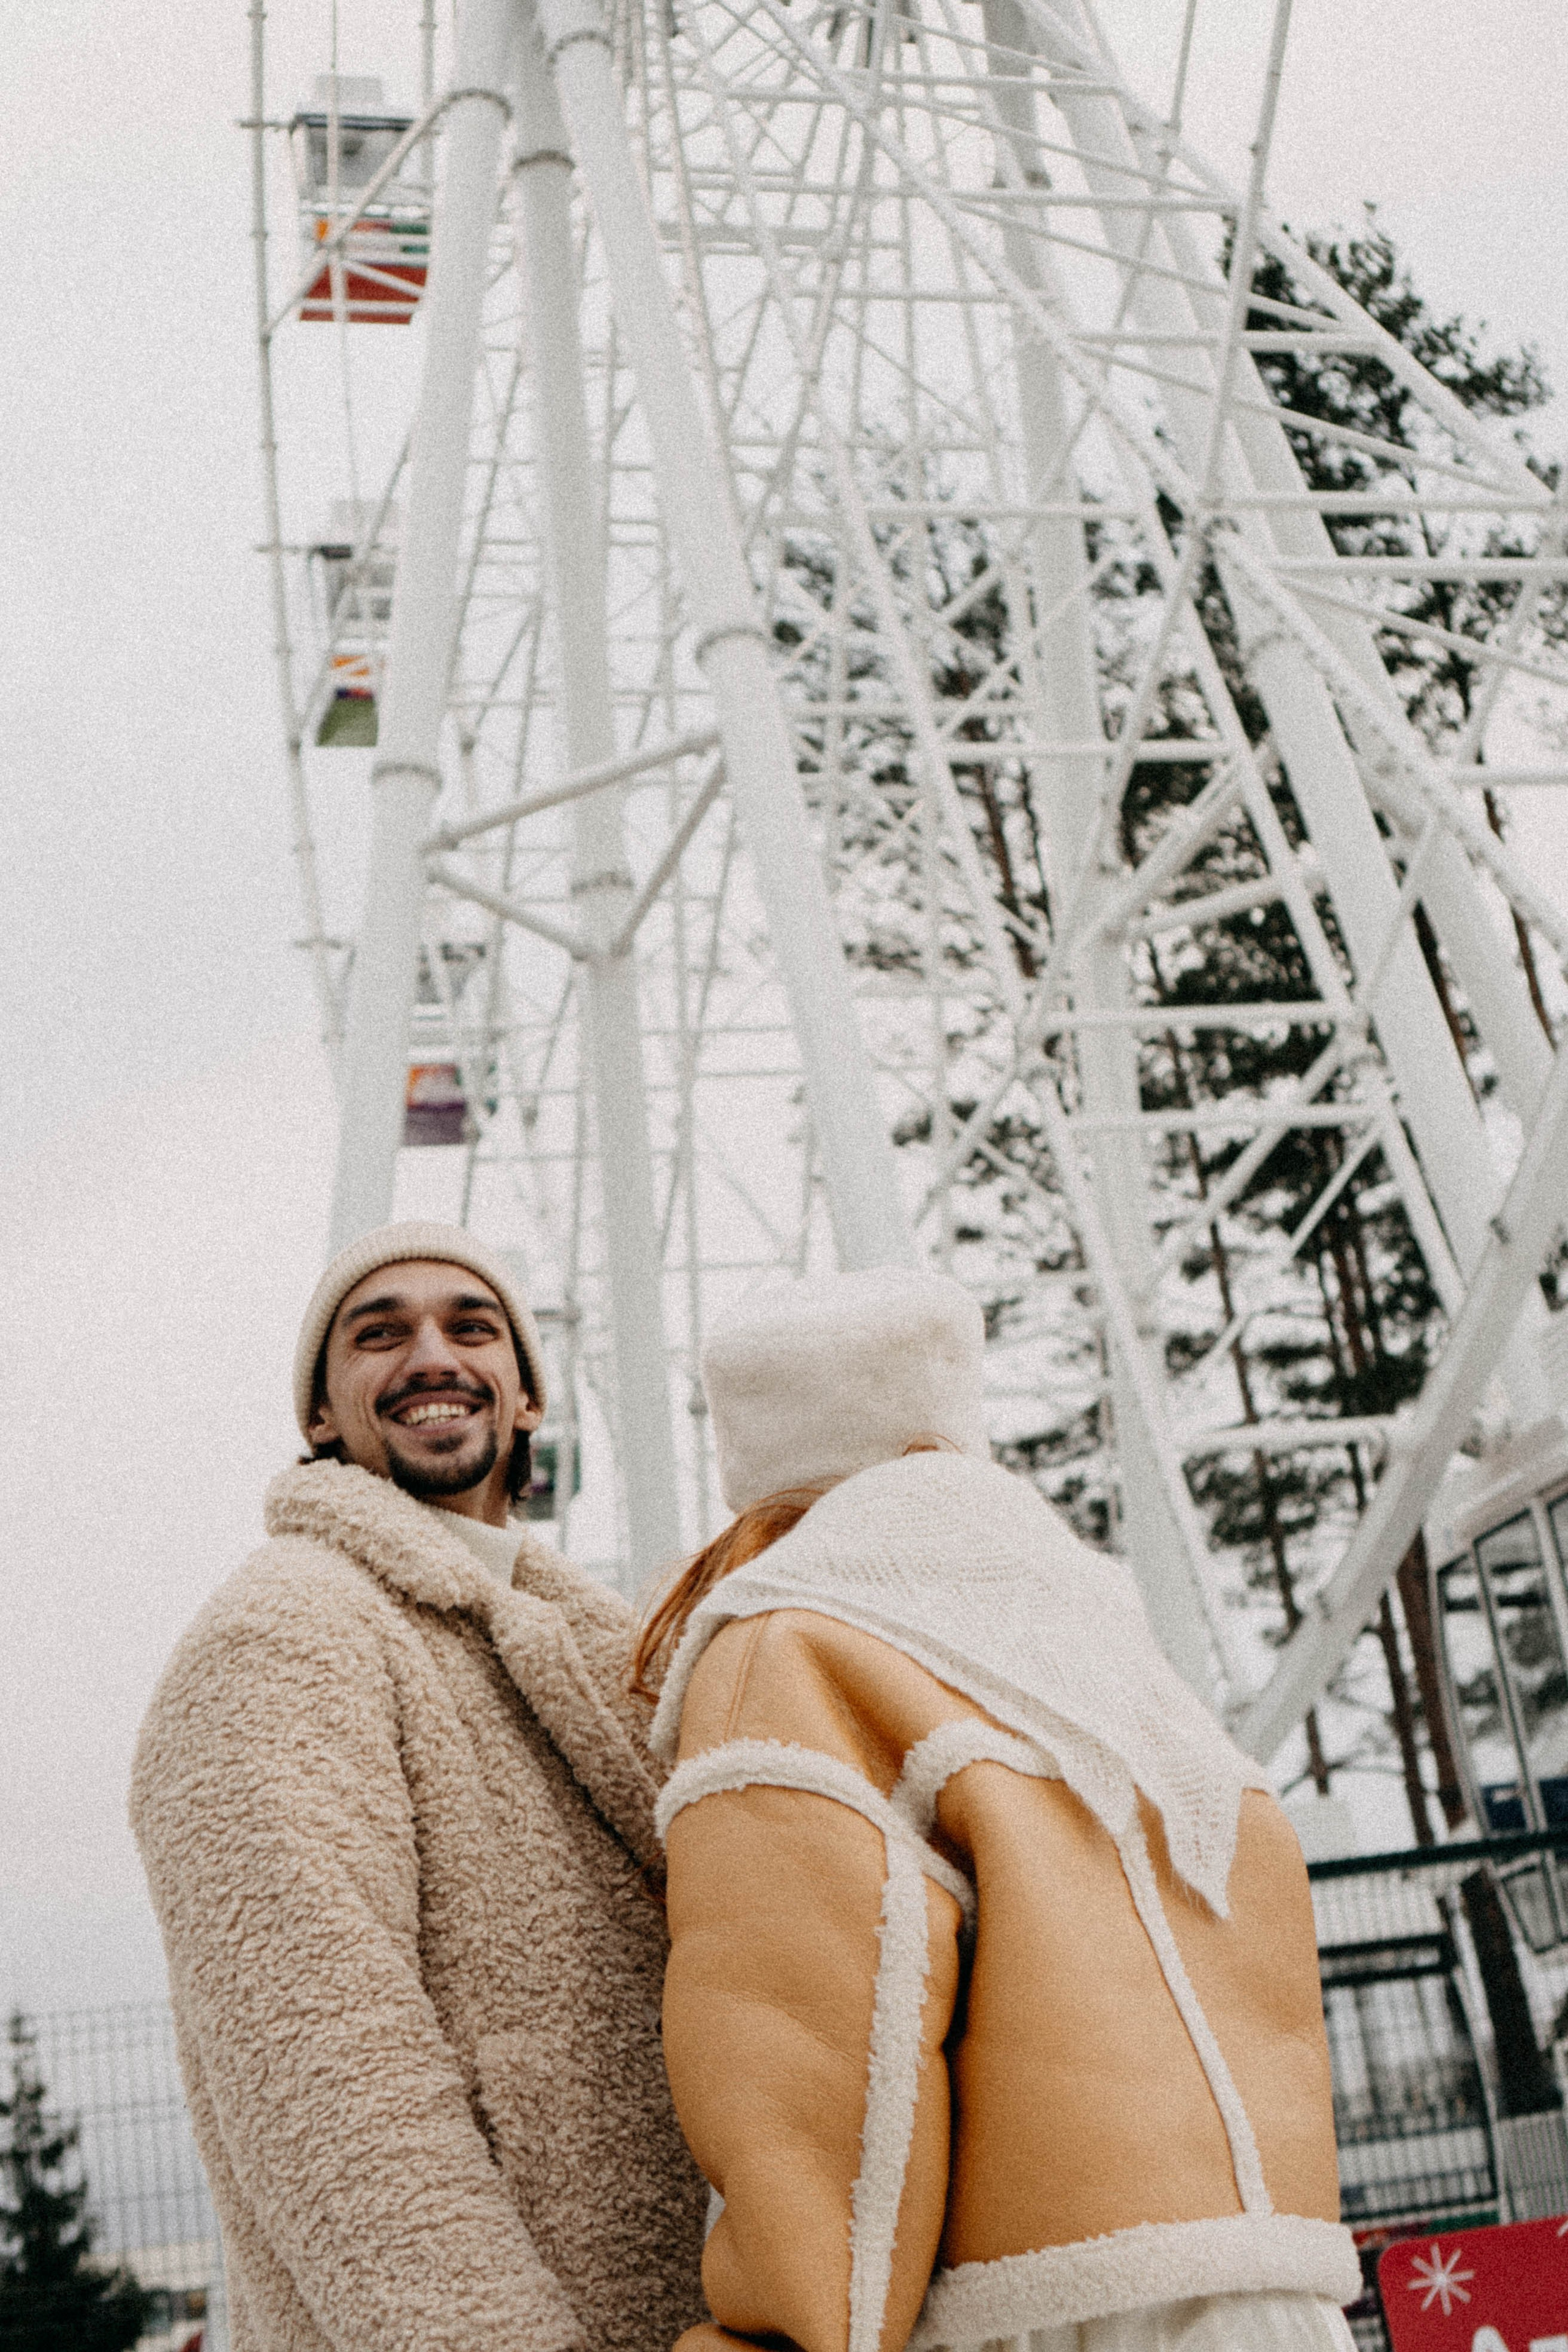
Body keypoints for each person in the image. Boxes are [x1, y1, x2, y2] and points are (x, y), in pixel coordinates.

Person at [635, 1266, 1357, 2352]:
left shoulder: (790, 1647)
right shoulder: (1108, 1650)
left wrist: (782, 2330)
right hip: (1276, 2294)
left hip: (1043, 2314)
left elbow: (829, 2086)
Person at [131, 1221, 706, 2352]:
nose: (433, 1356)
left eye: (472, 1327)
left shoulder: (592, 1658)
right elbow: (324, 2080)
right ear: (319, 1417)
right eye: (379, 1334)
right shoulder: (285, 1635)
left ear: (527, 1397)